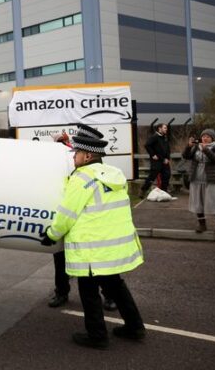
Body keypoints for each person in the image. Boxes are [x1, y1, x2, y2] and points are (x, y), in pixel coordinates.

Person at [42, 125, 145, 349]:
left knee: (88, 291)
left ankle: (97, 336)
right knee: (116, 286)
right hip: (113, 246)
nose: (73, 157)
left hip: (91, 248)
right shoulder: (114, 175)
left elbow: (66, 214)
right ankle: (135, 327)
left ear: (87, 156)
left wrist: (51, 234)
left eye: (76, 153)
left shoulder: (81, 178)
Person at [48, 127, 116, 312]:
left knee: (97, 263)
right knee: (60, 258)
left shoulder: (90, 160)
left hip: (87, 220)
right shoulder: (64, 155)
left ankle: (109, 295)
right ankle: (61, 292)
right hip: (66, 212)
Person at [183, 129, 215, 235]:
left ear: (212, 138)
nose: (205, 138)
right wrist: (188, 146)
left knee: (214, 202)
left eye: (208, 136)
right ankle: (202, 224)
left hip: (211, 180)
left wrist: (206, 150)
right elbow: (186, 156)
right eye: (203, 136)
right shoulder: (196, 147)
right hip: (196, 179)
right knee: (198, 203)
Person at [140, 123, 171, 198]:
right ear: (159, 129)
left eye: (166, 128)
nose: (166, 129)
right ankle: (143, 191)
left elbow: (167, 149)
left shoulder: (165, 137)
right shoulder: (154, 137)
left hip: (164, 161)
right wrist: (153, 154)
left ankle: (164, 192)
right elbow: (147, 145)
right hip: (156, 161)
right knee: (152, 176)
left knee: (166, 175)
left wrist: (167, 158)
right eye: (164, 128)